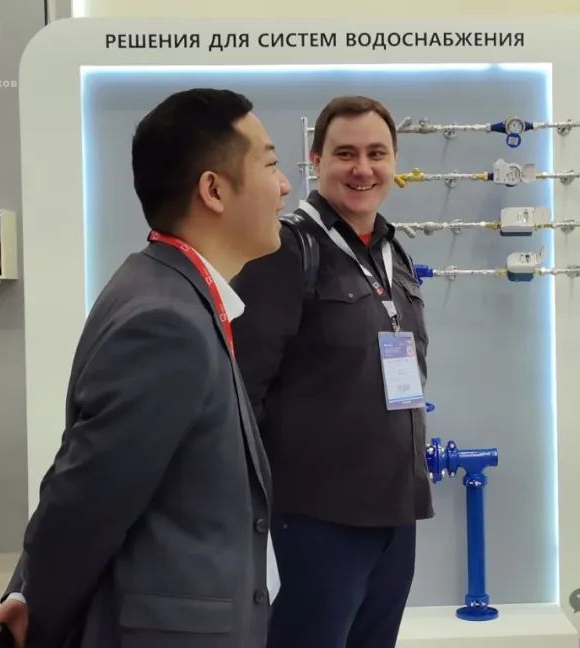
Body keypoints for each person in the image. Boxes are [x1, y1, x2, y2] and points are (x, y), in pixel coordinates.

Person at [0, 87, 291, 648]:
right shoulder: (166, 322)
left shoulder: (165, 289)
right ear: (214, 190)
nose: (285, 186)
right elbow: (86, 500)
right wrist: (34, 614)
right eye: (270, 164)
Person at [230, 95, 432, 648]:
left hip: (397, 512)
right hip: (320, 517)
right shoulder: (286, 252)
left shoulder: (393, 253)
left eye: (376, 153)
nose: (362, 169)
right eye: (345, 154)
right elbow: (241, 392)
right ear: (316, 160)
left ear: (394, 162)